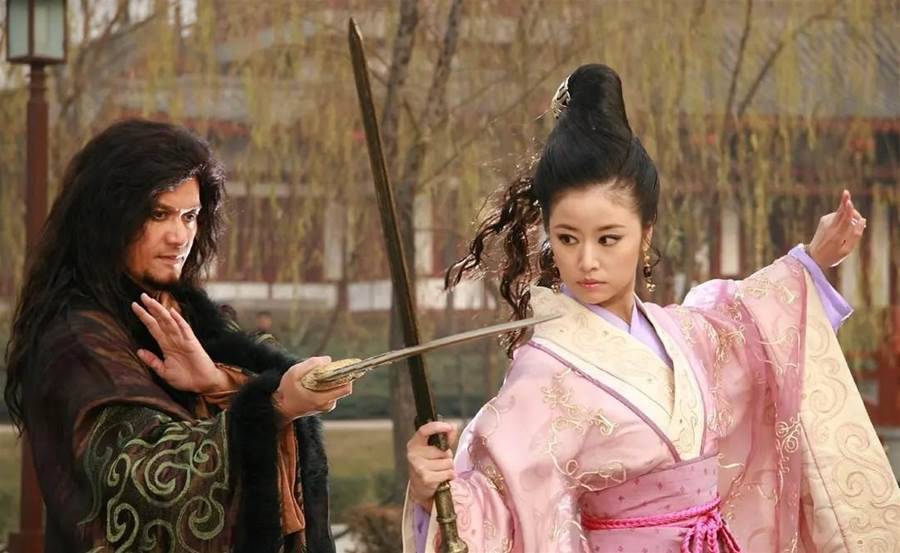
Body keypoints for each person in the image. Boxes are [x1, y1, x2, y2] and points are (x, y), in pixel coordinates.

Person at [402, 65, 900, 552]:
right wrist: (435, 494)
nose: (587, 260)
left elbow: (750, 329)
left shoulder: (681, 335)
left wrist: (811, 261)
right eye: (568, 239)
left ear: (646, 235)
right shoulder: (544, 373)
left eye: (608, 238)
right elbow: (501, 503)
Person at [4, 119, 352, 553]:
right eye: (158, 214)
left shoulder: (188, 315)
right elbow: (149, 484)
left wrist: (216, 382)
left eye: (190, 216)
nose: (179, 236)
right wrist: (275, 406)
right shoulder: (78, 340)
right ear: (108, 217)